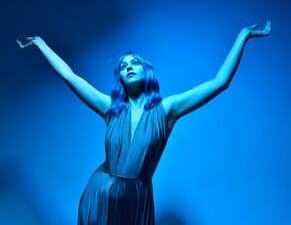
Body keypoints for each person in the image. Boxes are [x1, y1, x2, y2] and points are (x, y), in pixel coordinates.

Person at [17, 20, 272, 225]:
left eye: (134, 62)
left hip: (136, 200)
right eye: (123, 66)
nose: (128, 67)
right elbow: (69, 76)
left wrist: (243, 37)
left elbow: (220, 82)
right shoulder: (111, 109)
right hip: (101, 192)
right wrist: (41, 44)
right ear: (121, 78)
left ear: (146, 71)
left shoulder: (167, 110)